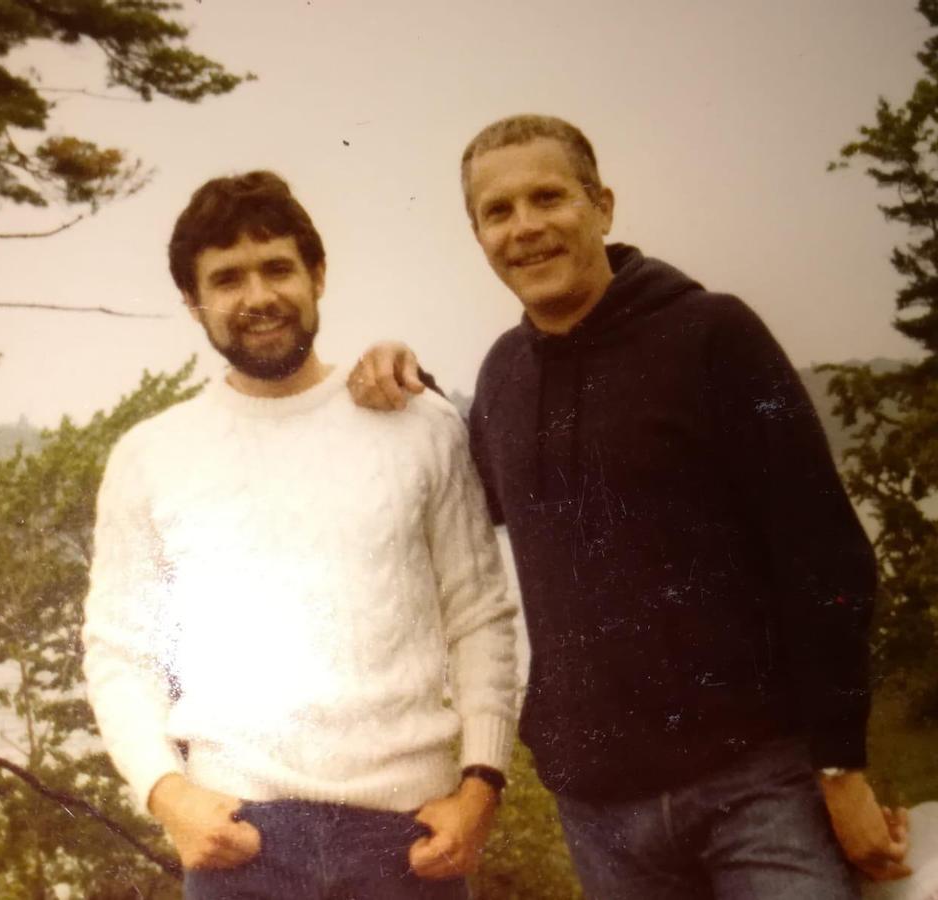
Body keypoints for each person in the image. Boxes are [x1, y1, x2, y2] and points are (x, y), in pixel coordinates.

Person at [349, 114, 911, 899]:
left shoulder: (713, 335)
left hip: (754, 788)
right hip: (600, 812)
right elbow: (475, 499)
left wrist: (840, 766)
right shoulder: (505, 376)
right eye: (498, 211)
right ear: (477, 233)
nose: (526, 227)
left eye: (548, 197)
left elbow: (828, 560)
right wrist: (409, 387)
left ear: (602, 206)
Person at [81, 170, 519, 899]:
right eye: (226, 279)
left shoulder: (418, 425)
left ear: (318, 274)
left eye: (277, 267)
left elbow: (481, 617)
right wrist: (167, 794)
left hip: (409, 839)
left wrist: (481, 785)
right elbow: (120, 652)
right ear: (194, 303)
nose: (258, 297)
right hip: (239, 845)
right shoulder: (150, 456)